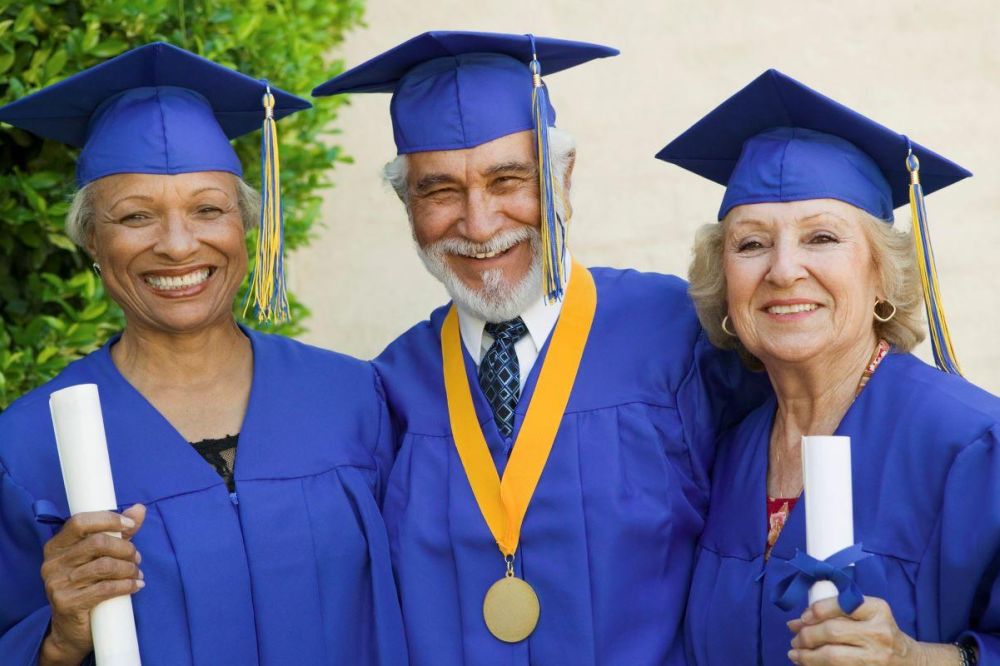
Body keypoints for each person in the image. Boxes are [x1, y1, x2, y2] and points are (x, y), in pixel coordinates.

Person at [313, 31, 767, 665]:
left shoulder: (685, 335)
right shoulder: (389, 388)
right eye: (439, 191)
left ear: (563, 177)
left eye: (508, 180)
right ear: (405, 204)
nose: (478, 223)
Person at [0, 42, 405, 665]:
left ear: (245, 226)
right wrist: (56, 641)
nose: (178, 245)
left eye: (208, 209)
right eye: (135, 216)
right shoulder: (26, 447)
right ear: (91, 243)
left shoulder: (358, 400)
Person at [657, 69, 1000, 665]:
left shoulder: (971, 446)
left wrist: (922, 660)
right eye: (751, 244)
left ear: (880, 277)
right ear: (725, 286)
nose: (784, 270)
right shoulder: (726, 448)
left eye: (820, 238)